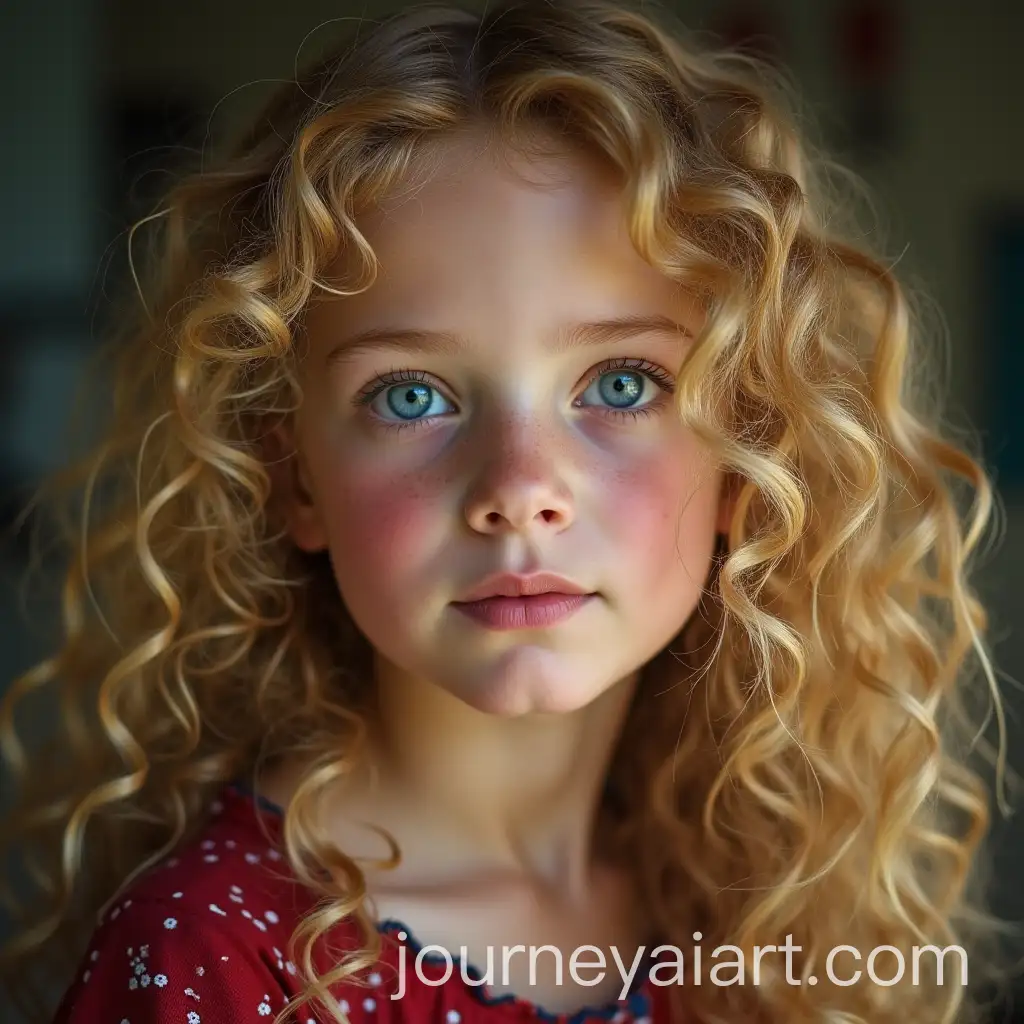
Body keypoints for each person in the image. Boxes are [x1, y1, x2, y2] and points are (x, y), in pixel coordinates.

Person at [0, 1, 1009, 1022]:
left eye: (619, 384)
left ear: (747, 458)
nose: (520, 488)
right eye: (411, 395)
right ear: (297, 477)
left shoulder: (763, 905)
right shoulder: (212, 958)